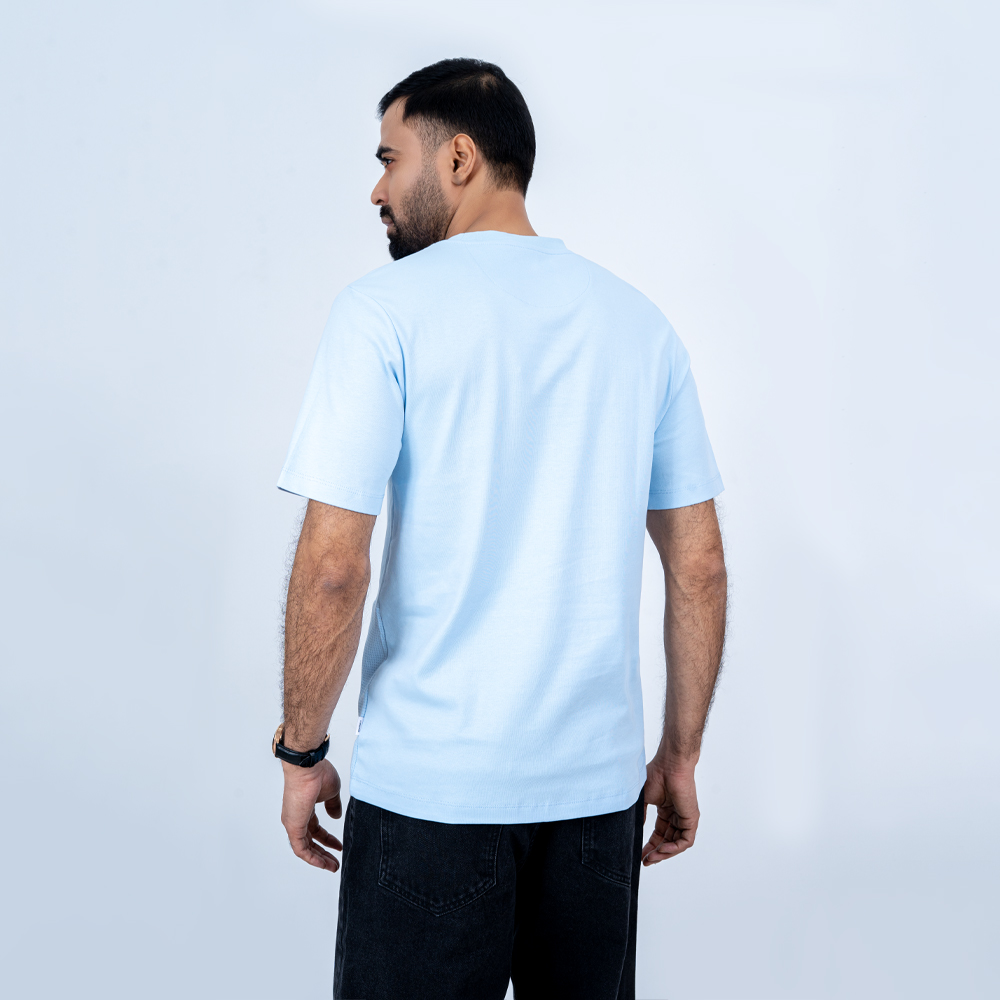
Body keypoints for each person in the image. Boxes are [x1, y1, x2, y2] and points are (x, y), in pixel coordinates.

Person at [273, 57, 727, 1000]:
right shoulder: (638, 326)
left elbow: (332, 569)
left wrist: (303, 752)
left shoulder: (382, 314)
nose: (376, 189)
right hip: (595, 805)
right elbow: (699, 567)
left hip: (430, 799)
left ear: (460, 159)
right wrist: (679, 757)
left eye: (389, 159)